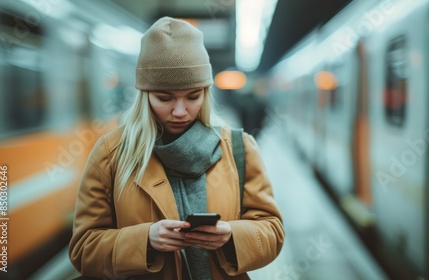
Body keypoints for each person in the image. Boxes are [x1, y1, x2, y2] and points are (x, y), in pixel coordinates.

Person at [68, 17, 284, 279]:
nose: (180, 112)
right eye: (165, 98)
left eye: (193, 96)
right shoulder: (110, 154)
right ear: (144, 95)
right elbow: (83, 250)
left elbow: (272, 231)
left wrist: (231, 236)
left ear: (206, 93)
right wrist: (146, 240)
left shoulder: (239, 148)